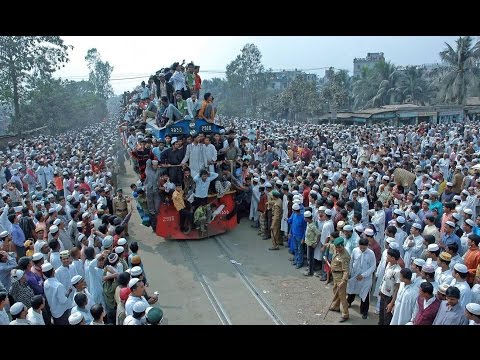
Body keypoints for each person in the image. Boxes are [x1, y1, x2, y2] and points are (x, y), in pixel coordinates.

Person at [346, 237, 376, 319]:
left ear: (367, 246)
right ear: (358, 245)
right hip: (354, 275)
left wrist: (363, 275)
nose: (362, 249)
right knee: (352, 290)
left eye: (364, 247)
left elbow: (373, 267)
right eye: (361, 247)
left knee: (365, 295)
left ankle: (364, 311)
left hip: (365, 278)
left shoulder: (371, 253)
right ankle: (349, 302)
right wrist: (349, 272)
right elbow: (351, 261)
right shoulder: (355, 250)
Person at [328, 237, 351, 322]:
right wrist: (325, 246)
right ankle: (336, 307)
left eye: (339, 247)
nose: (337, 249)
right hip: (335, 276)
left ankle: (345, 314)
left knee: (342, 297)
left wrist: (343, 281)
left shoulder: (345, 256)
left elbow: (346, 271)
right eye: (336, 247)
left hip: (341, 277)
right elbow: (330, 246)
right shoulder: (335, 248)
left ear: (342, 246)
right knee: (336, 292)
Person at [378, 248, 401, 325]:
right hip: (383, 293)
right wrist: (380, 288)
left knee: (387, 317)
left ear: (393, 258)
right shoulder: (388, 264)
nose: (386, 257)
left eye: (388, 256)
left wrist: (391, 303)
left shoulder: (397, 271)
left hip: (389, 297)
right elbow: (384, 278)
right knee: (381, 314)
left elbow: (397, 288)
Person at [303, 210, 320, 276]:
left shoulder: (312, 226)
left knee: (310, 258)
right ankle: (310, 268)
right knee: (309, 257)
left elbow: (318, 234)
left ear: (307, 218)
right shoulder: (309, 223)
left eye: (305, 218)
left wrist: (316, 243)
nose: (304, 219)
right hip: (308, 243)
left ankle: (310, 271)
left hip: (311, 244)